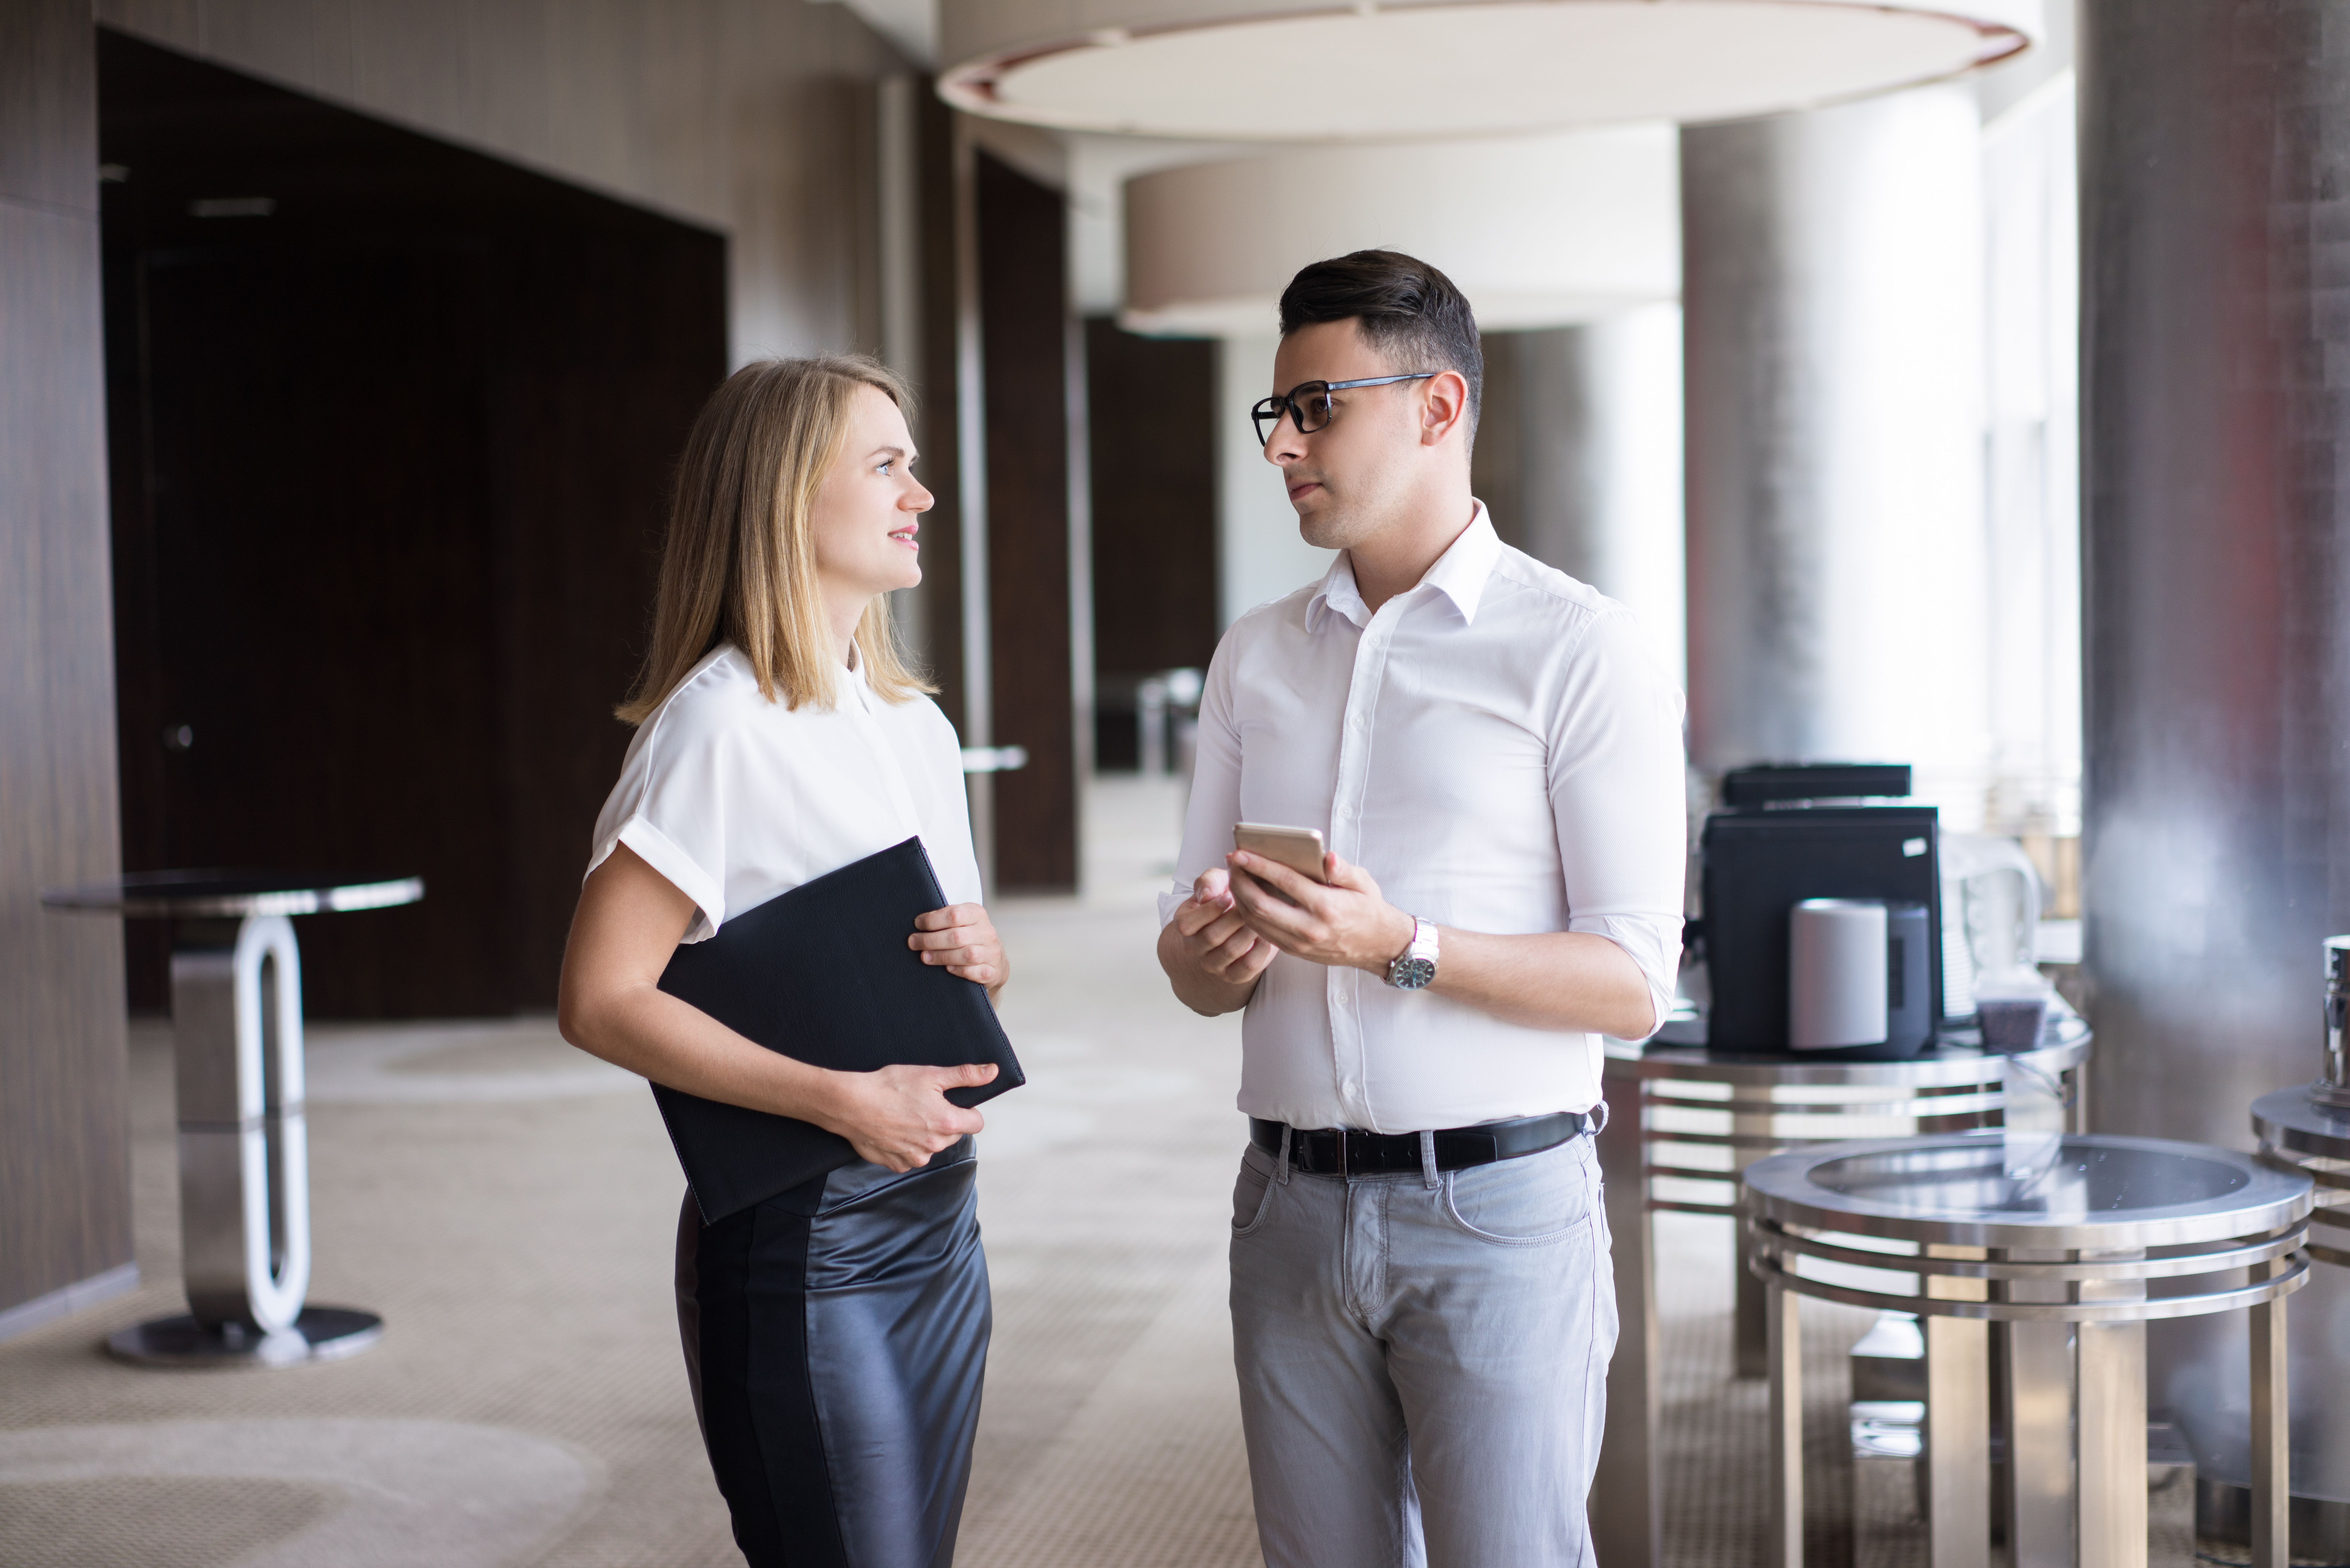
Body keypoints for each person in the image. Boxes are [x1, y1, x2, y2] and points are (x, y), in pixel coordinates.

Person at [1156, 251, 1687, 1568]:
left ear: (1438, 407)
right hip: (1283, 1210)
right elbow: (1192, 963)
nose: (1283, 445)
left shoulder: (1578, 647)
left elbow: (1634, 983)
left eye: (1317, 406)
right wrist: (1206, 954)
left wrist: (1403, 945)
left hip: (1497, 1211)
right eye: (1274, 414)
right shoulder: (1254, 654)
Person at [558, 355, 1006, 1568]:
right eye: (885, 464)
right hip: (806, 1240)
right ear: (782, 496)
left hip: (938, 1223)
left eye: (912, 463)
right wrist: (840, 1101)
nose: (921, 491)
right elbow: (599, 1000)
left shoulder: (917, 726)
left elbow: (936, 974)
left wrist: (983, 958)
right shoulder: (716, 723)